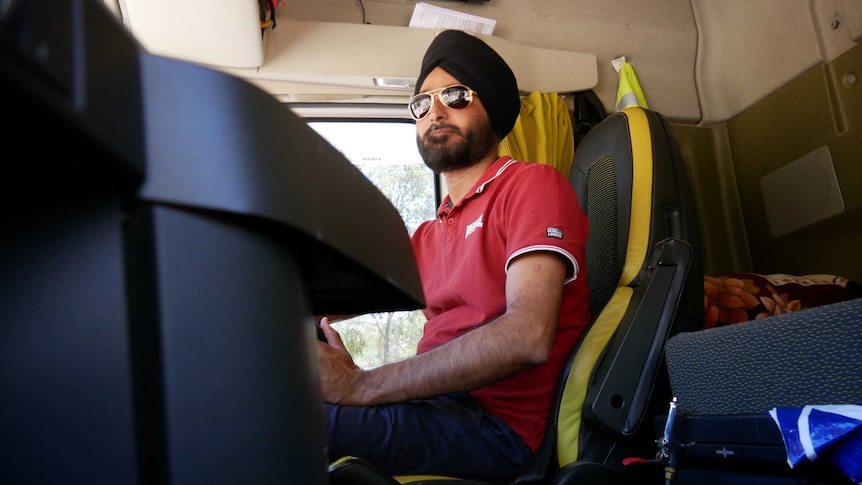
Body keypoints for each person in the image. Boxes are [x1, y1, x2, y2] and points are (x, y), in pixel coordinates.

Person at [316, 29, 591, 480]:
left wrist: (362, 385)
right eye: (421, 103)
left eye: (455, 95)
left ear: (493, 108)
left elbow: (528, 335)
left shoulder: (530, 185)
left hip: (498, 430)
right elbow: (342, 296)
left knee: (296, 426)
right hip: (440, 408)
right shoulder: (430, 232)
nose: (434, 112)